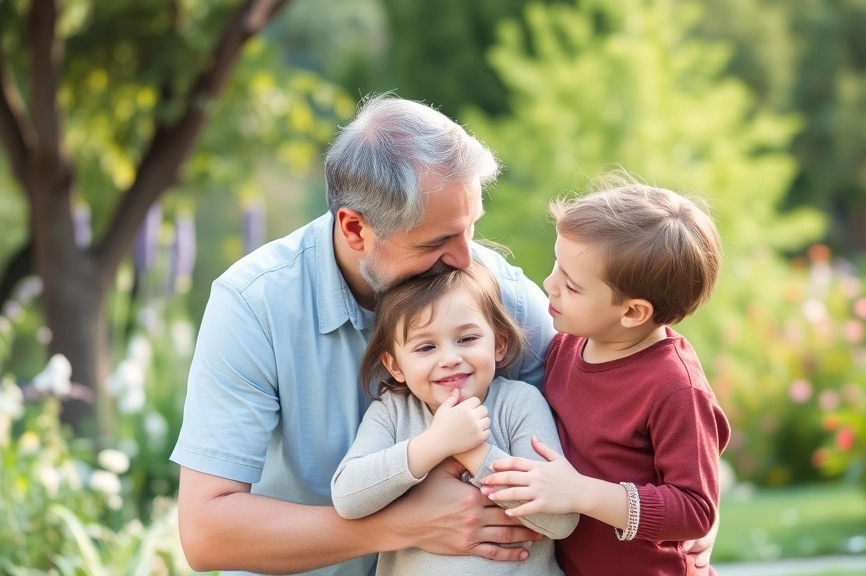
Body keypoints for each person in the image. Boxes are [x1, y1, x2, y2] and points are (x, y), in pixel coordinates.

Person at [171, 95, 716, 575]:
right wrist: (404, 526)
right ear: (355, 229)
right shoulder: (254, 304)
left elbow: (619, 362)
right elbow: (207, 533)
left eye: (470, 227)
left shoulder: (487, 286)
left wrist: (677, 521)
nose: (464, 257)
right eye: (436, 242)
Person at [482, 179, 731, 576]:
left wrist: (581, 493)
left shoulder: (674, 387)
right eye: (556, 266)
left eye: (572, 285)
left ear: (632, 312)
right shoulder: (566, 346)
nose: (550, 285)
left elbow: (696, 509)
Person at [331, 262, 578, 575]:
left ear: (498, 344)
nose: (449, 358)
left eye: (467, 339)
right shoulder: (392, 412)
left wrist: (473, 452)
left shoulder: (519, 403)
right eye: (426, 346)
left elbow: (561, 521)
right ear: (395, 366)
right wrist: (435, 443)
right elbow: (348, 498)